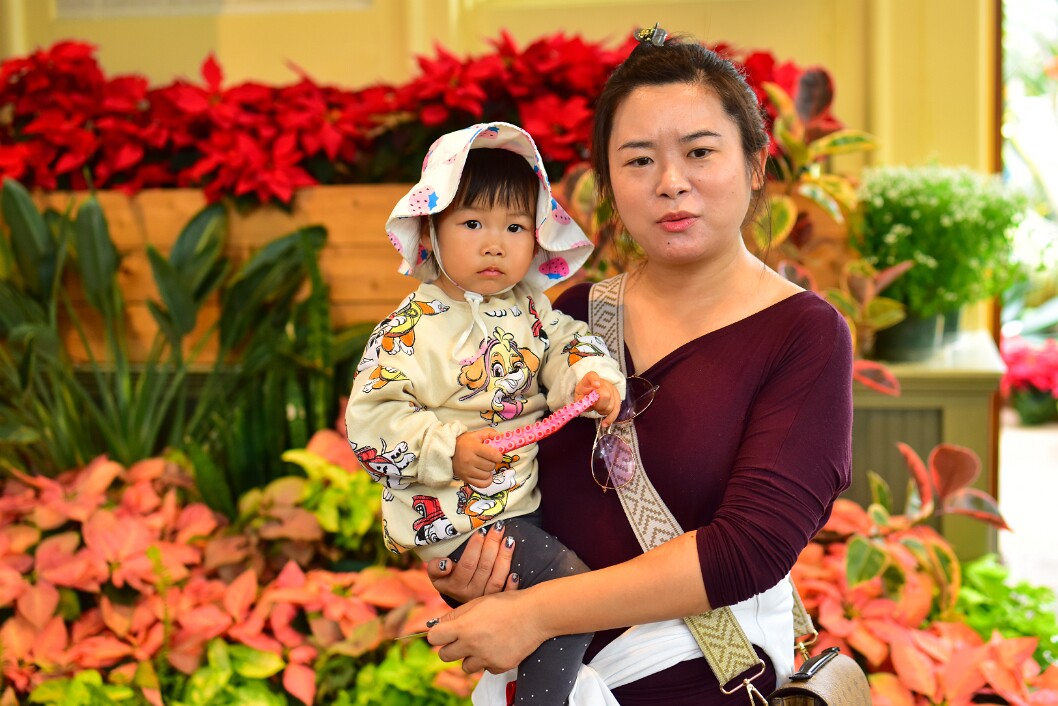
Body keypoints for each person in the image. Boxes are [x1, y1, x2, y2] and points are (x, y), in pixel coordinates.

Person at [424, 27, 854, 706]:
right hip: (547, 674)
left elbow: (747, 548)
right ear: (609, 182)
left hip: (701, 676)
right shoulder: (566, 315)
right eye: (638, 160)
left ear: (756, 164)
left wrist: (537, 613)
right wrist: (470, 568)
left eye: (700, 152)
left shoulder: (805, 335)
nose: (671, 183)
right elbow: (504, 484)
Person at [344, 121, 626, 705]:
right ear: (432, 230)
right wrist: (449, 447)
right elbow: (370, 421)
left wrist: (591, 378)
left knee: (568, 577)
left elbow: (568, 345)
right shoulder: (413, 328)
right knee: (568, 592)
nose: (495, 243)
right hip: (457, 516)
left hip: (516, 507)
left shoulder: (531, 310)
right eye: (472, 223)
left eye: (516, 226)